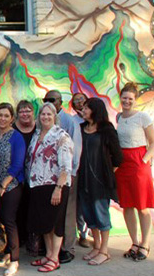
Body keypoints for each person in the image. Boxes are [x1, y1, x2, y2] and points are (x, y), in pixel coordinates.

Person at [26, 102, 74, 273]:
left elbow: (66, 167)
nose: (45, 117)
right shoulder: (38, 134)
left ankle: (55, 258)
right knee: (44, 223)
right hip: (38, 184)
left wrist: (59, 188)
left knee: (55, 223)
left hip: (55, 185)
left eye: (49, 114)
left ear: (55, 116)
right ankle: (48, 254)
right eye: (43, 114)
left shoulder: (61, 136)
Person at [115, 82, 154, 262]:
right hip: (123, 165)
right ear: (120, 98)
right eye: (124, 98)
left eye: (130, 99)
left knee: (142, 206)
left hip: (139, 162)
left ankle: (145, 243)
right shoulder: (118, 117)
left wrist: (143, 161)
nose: (127, 101)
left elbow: (153, 142)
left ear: (135, 99)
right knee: (127, 205)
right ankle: (134, 242)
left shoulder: (143, 117)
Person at [78, 98, 123, 266]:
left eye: (87, 108)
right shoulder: (82, 128)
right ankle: (96, 246)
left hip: (100, 182)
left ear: (95, 110)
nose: (83, 110)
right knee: (89, 214)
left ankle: (104, 250)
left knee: (101, 214)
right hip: (83, 179)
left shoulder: (106, 130)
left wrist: (107, 174)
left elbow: (118, 157)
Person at [0, 103, 26, 276]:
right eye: (0, 115)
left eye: (6, 116)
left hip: (10, 186)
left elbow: (17, 164)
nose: (2, 119)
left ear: (12, 118)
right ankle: (7, 252)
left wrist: (4, 184)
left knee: (8, 220)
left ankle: (15, 260)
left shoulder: (16, 137)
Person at [42, 90, 82, 264]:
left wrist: (71, 174)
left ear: (60, 102)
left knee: (68, 213)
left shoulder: (69, 121)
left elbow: (76, 149)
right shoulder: (43, 121)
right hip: (49, 177)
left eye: (53, 100)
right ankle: (52, 249)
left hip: (66, 176)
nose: (49, 102)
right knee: (54, 213)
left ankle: (68, 248)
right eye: (46, 100)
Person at [13, 100, 38, 253]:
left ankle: (33, 238)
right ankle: (20, 237)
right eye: (22, 111)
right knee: (19, 207)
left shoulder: (39, 128)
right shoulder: (13, 128)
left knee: (33, 207)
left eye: (28, 110)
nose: (25, 114)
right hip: (17, 175)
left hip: (36, 175)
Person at [70, 92, 91, 249]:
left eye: (81, 99)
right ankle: (82, 234)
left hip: (93, 166)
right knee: (79, 202)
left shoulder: (95, 121)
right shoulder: (73, 121)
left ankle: (92, 231)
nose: (79, 102)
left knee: (91, 201)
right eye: (76, 100)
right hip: (79, 165)